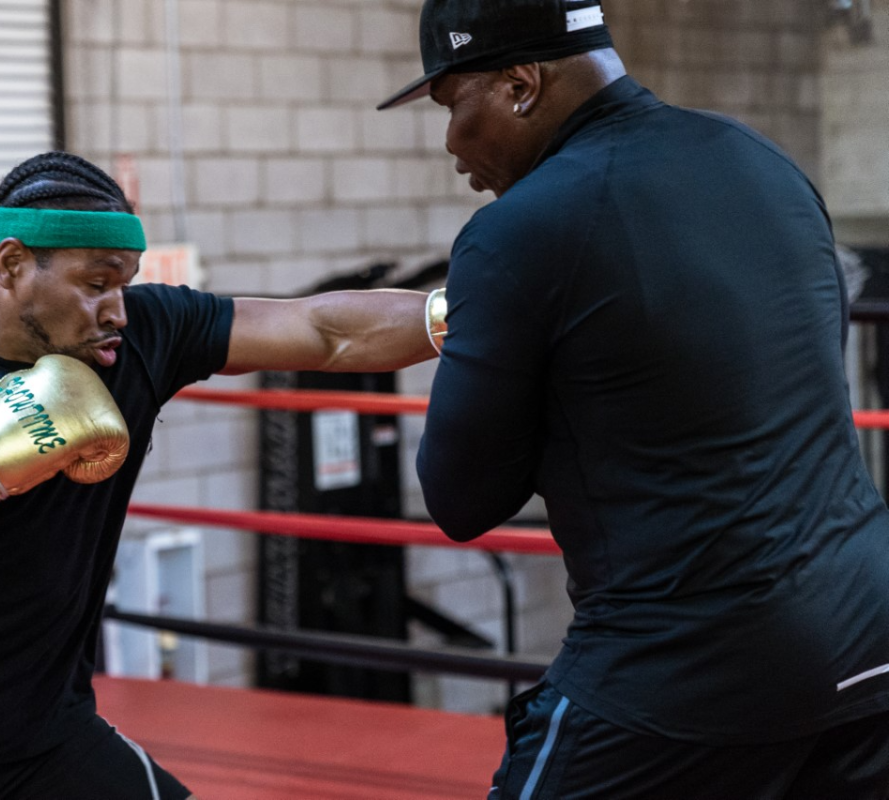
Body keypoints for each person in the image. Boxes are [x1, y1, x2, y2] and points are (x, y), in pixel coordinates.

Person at [0, 151, 437, 800]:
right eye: (95, 284)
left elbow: (323, 331)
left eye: (124, 282)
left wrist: (474, 313)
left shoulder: (139, 337)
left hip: (47, 741)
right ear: (10, 265)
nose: (117, 309)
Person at [382, 1, 889, 798]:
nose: (451, 145)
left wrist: (498, 338)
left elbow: (462, 497)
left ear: (521, 83)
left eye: (453, 106)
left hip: (687, 661)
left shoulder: (516, 232)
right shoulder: (762, 161)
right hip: (868, 633)